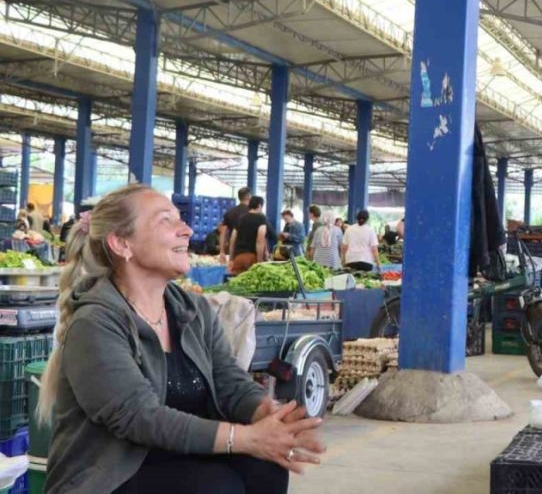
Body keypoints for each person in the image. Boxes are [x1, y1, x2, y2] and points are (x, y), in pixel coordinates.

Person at [38, 183, 326, 493]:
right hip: (109, 477)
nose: (186, 230)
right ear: (122, 244)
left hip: (178, 461)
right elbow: (140, 417)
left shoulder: (193, 310)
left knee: (266, 466)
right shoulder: (95, 322)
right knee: (216, 487)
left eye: (181, 219)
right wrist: (245, 438)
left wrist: (267, 414)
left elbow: (228, 381)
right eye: (166, 220)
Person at [228, 197, 268, 276]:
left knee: (236, 284)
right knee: (252, 285)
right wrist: (260, 261)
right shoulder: (261, 218)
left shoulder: (240, 218)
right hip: (252, 257)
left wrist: (231, 259)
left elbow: (232, 239)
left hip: (238, 257)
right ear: (260, 205)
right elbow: (260, 240)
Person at [219, 188, 251, 265]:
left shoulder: (230, 212)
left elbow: (223, 233)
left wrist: (222, 251)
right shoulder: (253, 213)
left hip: (234, 250)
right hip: (250, 251)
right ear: (249, 197)